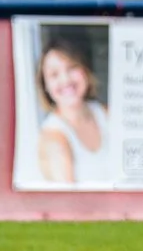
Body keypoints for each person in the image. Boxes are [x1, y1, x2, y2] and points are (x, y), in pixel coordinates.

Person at [36, 37, 111, 184]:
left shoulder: (106, 113)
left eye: (72, 68)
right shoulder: (53, 138)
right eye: (54, 74)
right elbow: (67, 204)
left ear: (85, 70)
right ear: (45, 85)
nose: (65, 80)